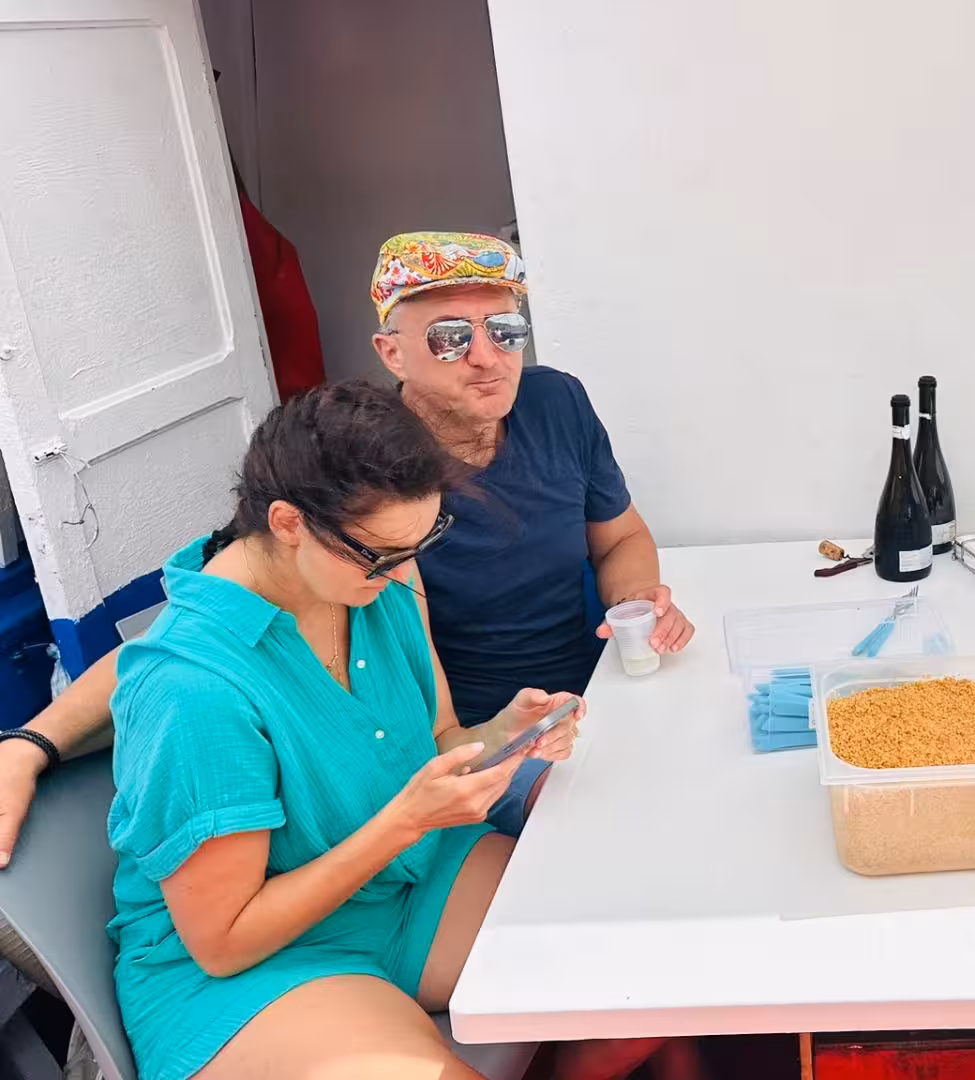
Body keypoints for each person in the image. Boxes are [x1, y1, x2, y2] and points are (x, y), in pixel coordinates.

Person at [0, 230, 693, 853]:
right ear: (391, 352)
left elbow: (622, 536)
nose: (487, 359)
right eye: (450, 337)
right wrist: (34, 742)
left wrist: (635, 607)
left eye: (505, 330)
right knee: (626, 839)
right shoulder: (364, 466)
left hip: (601, 693)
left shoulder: (556, 401)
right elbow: (212, 621)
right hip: (479, 742)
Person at [105, 381, 686, 1079]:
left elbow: (440, 734)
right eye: (379, 554)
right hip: (256, 967)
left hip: (400, 882)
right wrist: (408, 822)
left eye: (421, 540)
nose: (400, 570)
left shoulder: (379, 574)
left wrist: (508, 730)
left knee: (659, 963)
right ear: (289, 522)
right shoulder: (191, 690)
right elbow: (225, 940)